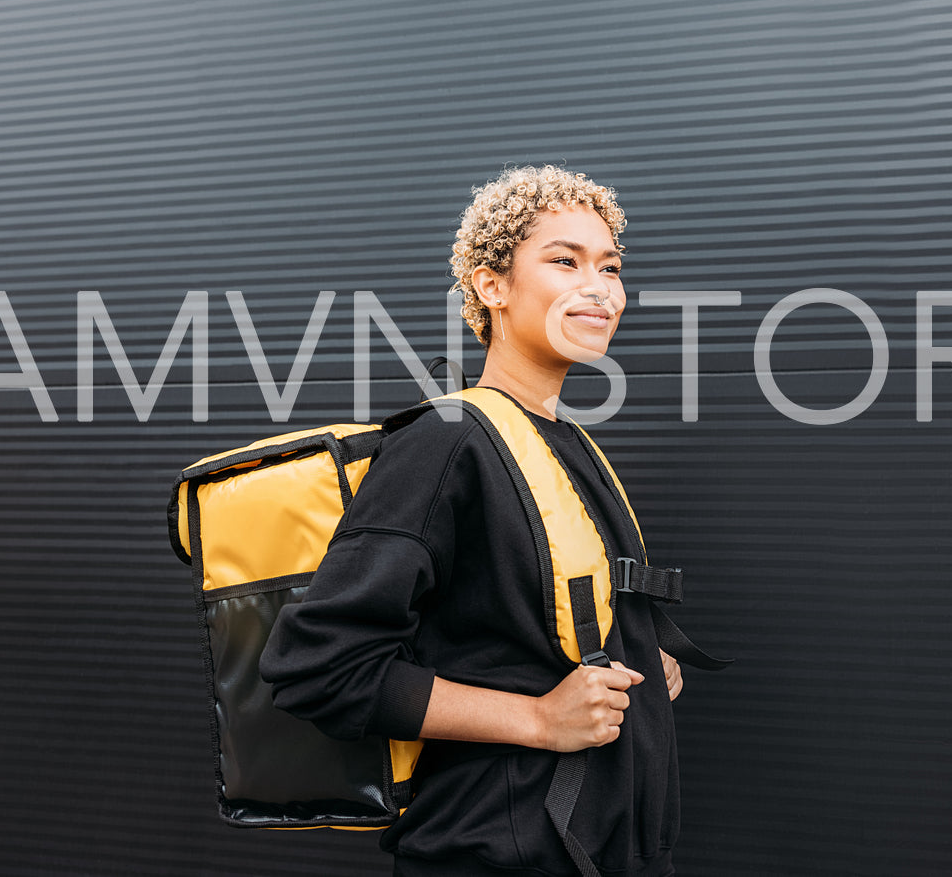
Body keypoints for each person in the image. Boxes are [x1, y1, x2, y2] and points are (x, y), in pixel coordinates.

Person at [259, 164, 685, 876]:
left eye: (609, 266)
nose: (599, 287)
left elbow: (508, 631)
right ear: (491, 287)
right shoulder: (446, 440)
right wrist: (538, 720)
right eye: (563, 260)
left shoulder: (562, 442)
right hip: (494, 853)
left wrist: (639, 651)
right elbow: (318, 670)